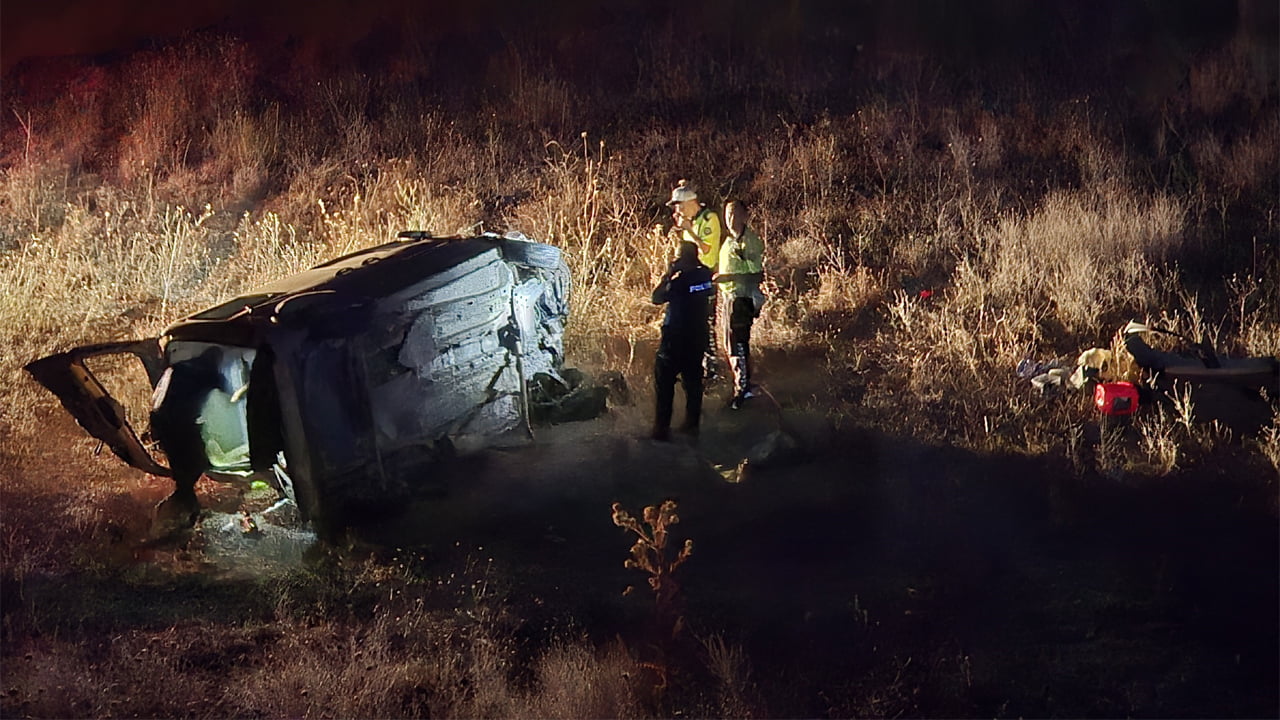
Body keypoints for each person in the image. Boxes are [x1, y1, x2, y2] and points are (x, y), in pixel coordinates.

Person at [651, 240, 715, 441]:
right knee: (693, 381)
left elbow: (657, 297)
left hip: (676, 337)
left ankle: (662, 429)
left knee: (665, 380)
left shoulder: (680, 281)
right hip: (697, 336)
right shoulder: (705, 276)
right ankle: (692, 425)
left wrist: (668, 275)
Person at [666, 179, 723, 380]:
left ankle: (712, 370)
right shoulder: (690, 221)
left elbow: (706, 249)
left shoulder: (709, 219)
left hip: (705, 276)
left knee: (705, 325)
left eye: (679, 205)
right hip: (690, 278)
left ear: (690, 202)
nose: (678, 210)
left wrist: (689, 229)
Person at [716, 199, 766, 409]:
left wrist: (727, 278)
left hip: (741, 298)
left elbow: (757, 275)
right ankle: (743, 385)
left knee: (736, 343)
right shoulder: (729, 241)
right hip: (729, 298)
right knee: (733, 343)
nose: (730, 219)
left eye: (735, 214)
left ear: (745, 216)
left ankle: (742, 390)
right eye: (727, 214)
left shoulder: (750, 242)